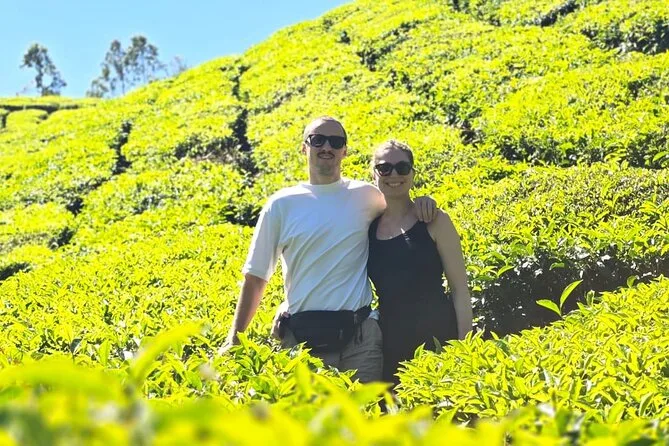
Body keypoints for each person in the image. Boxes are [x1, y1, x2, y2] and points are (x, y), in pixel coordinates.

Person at [220, 117, 436, 383]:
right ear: (304, 147)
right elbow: (256, 277)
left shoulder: (367, 196)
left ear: (345, 151)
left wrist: (424, 201)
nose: (327, 147)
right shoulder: (281, 205)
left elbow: (401, 207)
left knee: (366, 409)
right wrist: (234, 338)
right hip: (303, 341)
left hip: (361, 339)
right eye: (317, 140)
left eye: (335, 142)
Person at [367, 140, 473, 385]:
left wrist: (465, 348)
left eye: (402, 167)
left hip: (439, 334)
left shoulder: (435, 220)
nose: (394, 174)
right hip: (391, 343)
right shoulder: (367, 226)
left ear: (413, 173)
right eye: (384, 168)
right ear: (373, 174)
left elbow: (460, 290)